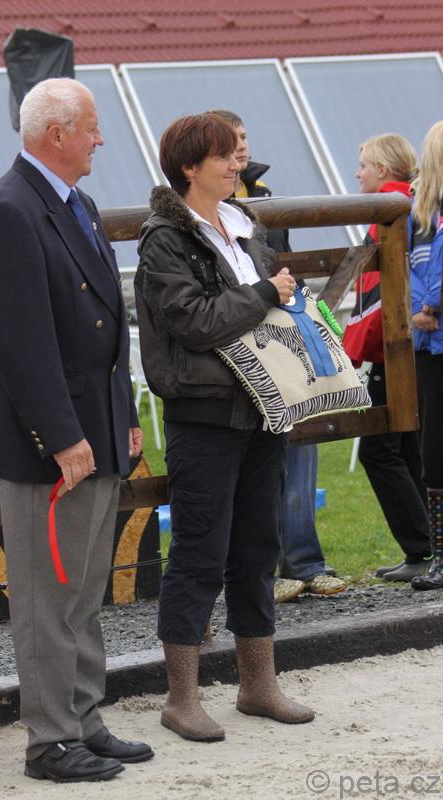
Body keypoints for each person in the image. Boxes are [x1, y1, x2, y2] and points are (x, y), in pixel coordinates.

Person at [0, 78, 153, 783]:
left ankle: (83, 717)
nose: (100, 138)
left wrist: (124, 416)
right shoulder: (10, 210)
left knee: (82, 591)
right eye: (91, 127)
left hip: (96, 428)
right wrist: (63, 435)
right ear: (56, 134)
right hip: (53, 445)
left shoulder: (75, 202)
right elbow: (22, 344)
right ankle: (49, 741)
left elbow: (107, 329)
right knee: (47, 599)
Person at [135, 112, 315, 744]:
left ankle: (257, 685)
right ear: (190, 167)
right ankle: (181, 699)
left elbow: (261, 312)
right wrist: (266, 293)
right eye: (224, 156)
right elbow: (194, 322)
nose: (238, 163)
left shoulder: (245, 227)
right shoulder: (164, 239)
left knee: (258, 547)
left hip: (263, 406)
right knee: (199, 555)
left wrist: (284, 300)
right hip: (205, 413)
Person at [211, 109, 346, 601]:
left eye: (244, 137)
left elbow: (285, 266)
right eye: (231, 140)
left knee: (301, 440)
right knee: (252, 462)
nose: (242, 147)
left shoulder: (265, 197)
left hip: (282, 329)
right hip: (238, 339)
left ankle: (305, 561)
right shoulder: (198, 208)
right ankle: (260, 571)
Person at [343, 133, 431, 582]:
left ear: (381, 168)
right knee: (410, 447)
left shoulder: (388, 212)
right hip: (412, 348)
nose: (357, 172)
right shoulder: (415, 204)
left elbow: (379, 297)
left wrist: (349, 349)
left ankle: (421, 546)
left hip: (391, 351)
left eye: (363, 164)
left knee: (379, 449)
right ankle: (428, 545)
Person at [408, 121, 443, 590]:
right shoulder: (417, 215)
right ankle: (441, 556)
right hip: (431, 347)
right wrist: (419, 308)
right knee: (433, 451)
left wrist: (433, 303)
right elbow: (405, 268)